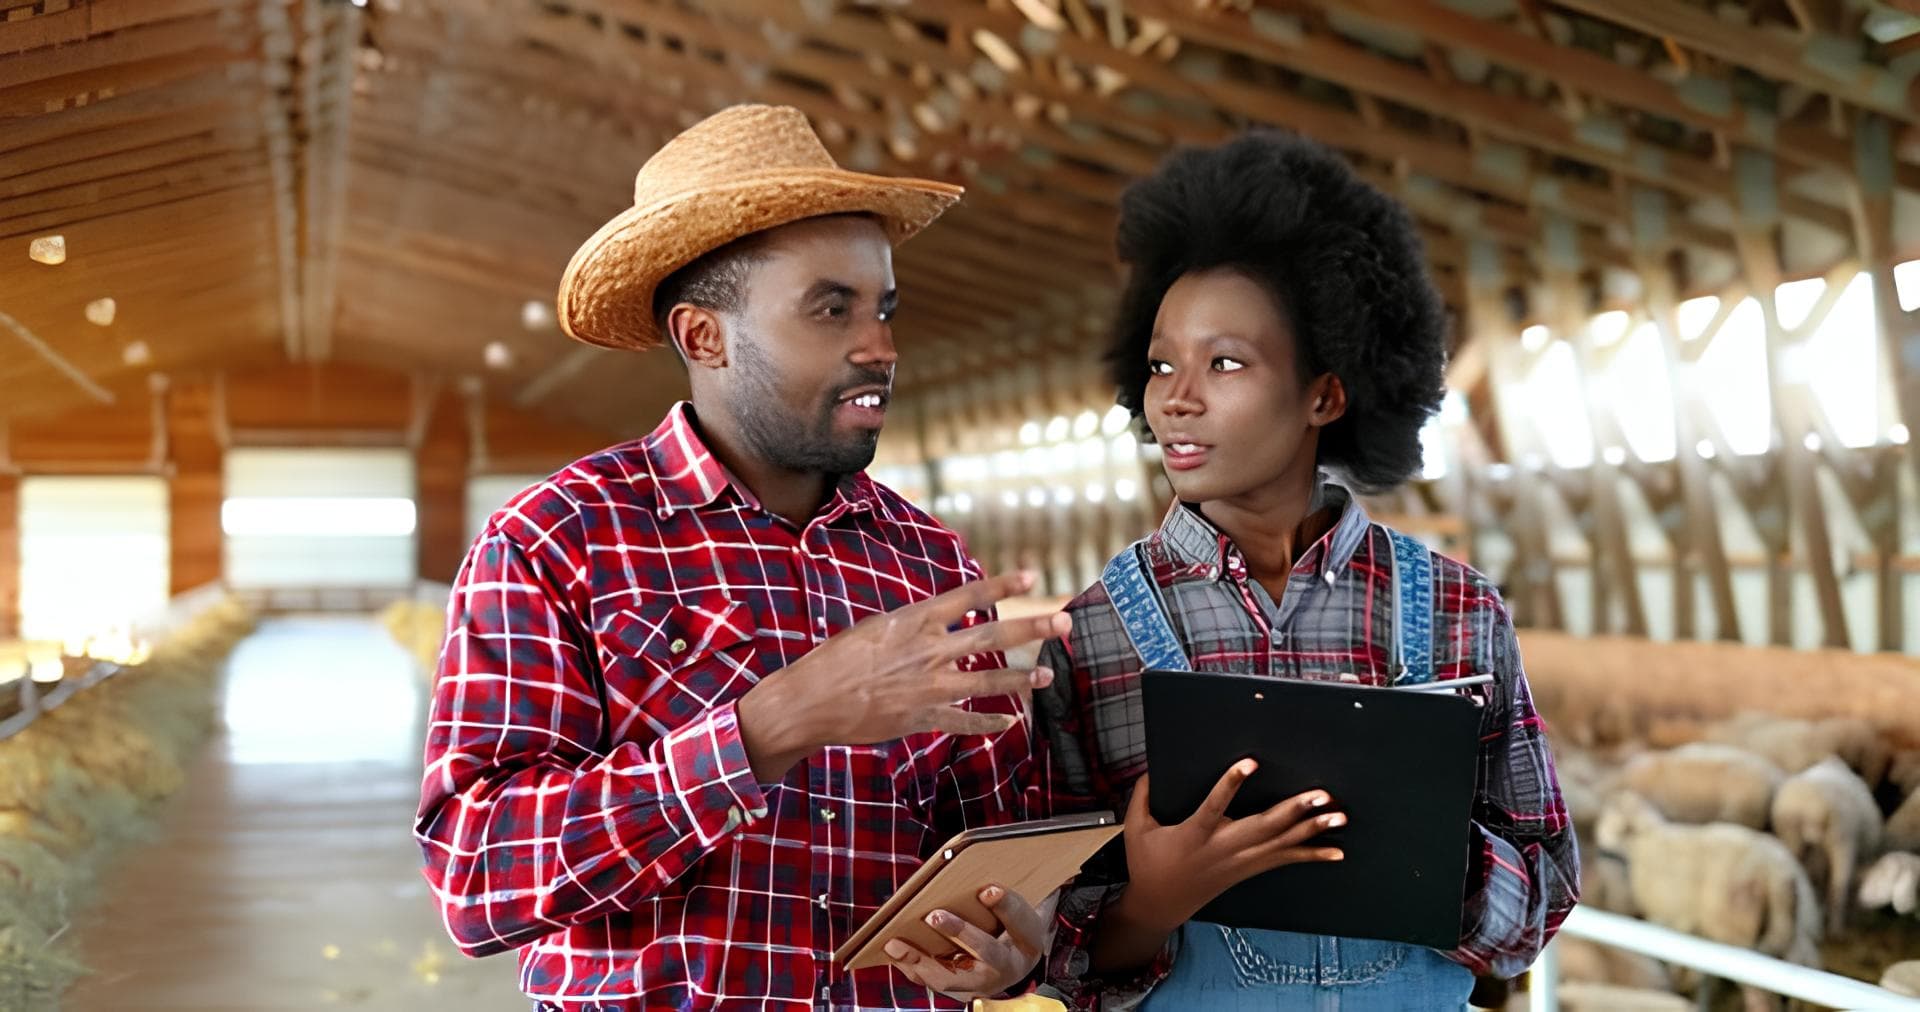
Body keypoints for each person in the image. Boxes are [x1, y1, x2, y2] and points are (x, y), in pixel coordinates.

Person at [414, 104, 1072, 1012]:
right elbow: (477, 876)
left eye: (884, 308)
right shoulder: (559, 539)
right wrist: (771, 727)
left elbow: (998, 846)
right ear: (702, 337)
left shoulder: (929, 562)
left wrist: (1011, 951)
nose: (879, 346)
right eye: (830, 309)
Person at [1033, 130, 1581, 1010]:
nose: (1177, 395)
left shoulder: (1455, 608)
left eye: (1225, 362)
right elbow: (1055, 945)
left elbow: (1546, 888)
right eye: (1162, 363)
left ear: (1325, 393)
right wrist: (1153, 901)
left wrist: (1429, 845)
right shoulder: (1093, 635)